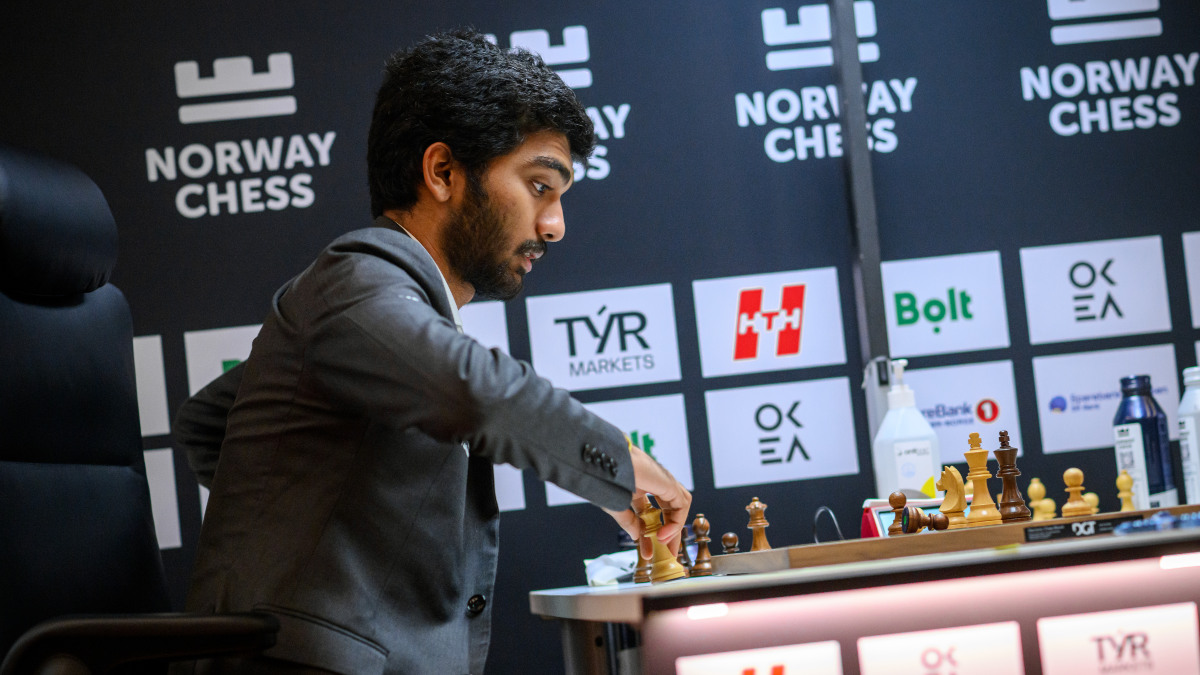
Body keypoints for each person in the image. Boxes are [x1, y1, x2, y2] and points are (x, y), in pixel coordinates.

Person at [173, 29, 691, 675]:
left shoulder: (374, 312)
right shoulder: (355, 281)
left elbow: (210, 425)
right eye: (539, 186)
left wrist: (311, 517)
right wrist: (622, 466)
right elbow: (475, 392)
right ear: (443, 172)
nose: (555, 224)